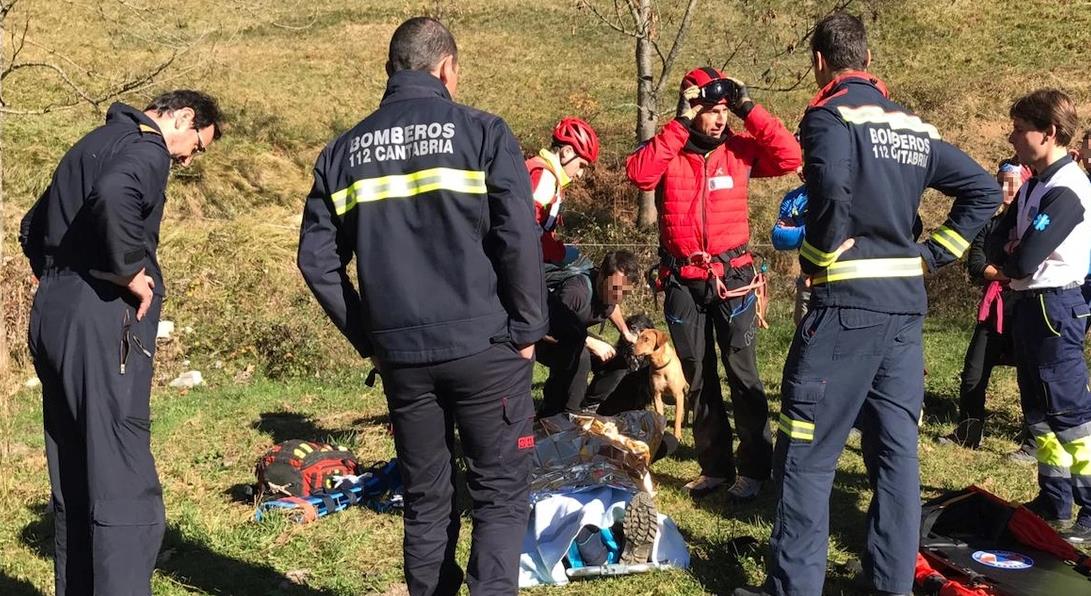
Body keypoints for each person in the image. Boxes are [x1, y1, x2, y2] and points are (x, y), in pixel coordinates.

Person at [735, 13, 1000, 596]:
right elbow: (982, 188)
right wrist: (932, 255)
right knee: (896, 460)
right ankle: (889, 585)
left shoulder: (829, 115)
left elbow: (828, 187)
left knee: (806, 458)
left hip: (845, 311)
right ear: (869, 59)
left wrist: (814, 252)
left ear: (819, 62)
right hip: (904, 315)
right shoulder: (911, 126)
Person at [297, 17, 547, 594]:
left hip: (402, 356)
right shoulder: (482, 133)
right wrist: (529, 326)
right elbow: (518, 237)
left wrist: (370, 337)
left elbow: (316, 260)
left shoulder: (342, 153)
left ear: (390, 70)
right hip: (489, 346)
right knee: (500, 496)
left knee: (428, 498)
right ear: (447, 68)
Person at [19, 90, 222, 596]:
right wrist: (129, 267)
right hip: (101, 317)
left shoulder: (92, 141)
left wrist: (58, 280)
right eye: (196, 146)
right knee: (121, 475)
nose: (187, 158)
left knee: (75, 470)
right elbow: (114, 194)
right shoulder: (147, 146)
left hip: (54, 313)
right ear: (184, 117)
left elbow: (31, 226)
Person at [626, 66, 802, 500]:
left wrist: (747, 106)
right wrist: (679, 123)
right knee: (697, 378)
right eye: (710, 109)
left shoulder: (740, 151)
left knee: (744, 376)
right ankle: (716, 468)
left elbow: (790, 157)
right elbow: (639, 174)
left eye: (724, 110)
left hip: (734, 281)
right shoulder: (670, 151)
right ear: (691, 109)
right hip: (684, 282)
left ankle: (757, 470)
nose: (720, 118)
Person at [987, 89, 1091, 544]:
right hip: (1028, 305)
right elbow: (997, 238)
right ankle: (1055, 497)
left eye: (1018, 129)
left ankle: (1089, 507)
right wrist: (1007, 253)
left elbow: (1023, 257)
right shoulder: (1033, 183)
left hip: (1056, 306)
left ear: (1048, 133)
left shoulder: (1069, 188)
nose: (1011, 137)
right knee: (1039, 412)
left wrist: (1011, 256)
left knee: (1070, 414)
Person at [940, 160, 1029, 449]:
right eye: (1001, 180)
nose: (1006, 187)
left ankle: (1031, 440)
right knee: (973, 373)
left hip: (1026, 308)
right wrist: (1009, 273)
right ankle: (968, 433)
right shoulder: (988, 224)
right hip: (994, 308)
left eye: (1012, 181)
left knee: (1031, 376)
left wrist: (1003, 271)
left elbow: (1034, 262)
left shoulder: (1033, 223)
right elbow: (976, 264)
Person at [536, 250, 642, 418]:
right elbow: (551, 326)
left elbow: (612, 307)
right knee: (581, 357)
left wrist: (625, 332)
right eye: (615, 289)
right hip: (545, 339)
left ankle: (589, 406)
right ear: (601, 275)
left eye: (624, 292)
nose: (618, 296)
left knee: (621, 362)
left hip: (574, 336)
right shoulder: (576, 292)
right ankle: (571, 415)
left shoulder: (611, 294)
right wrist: (589, 342)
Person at [528, 117, 600, 265]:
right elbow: (529, 231)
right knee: (582, 273)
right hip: (527, 265)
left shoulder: (541, 170)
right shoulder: (545, 177)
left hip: (533, 258)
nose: (580, 174)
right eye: (581, 165)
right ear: (566, 152)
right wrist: (559, 253)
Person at [770, 184, 811, 324]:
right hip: (807, 283)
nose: (799, 170)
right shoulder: (794, 198)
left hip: (840, 282)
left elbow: (838, 229)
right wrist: (810, 229)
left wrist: (797, 225)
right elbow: (779, 238)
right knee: (803, 338)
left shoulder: (842, 189)